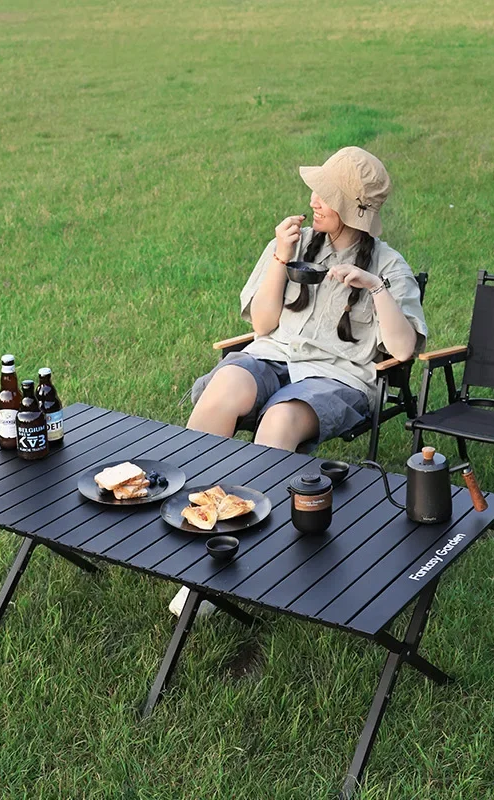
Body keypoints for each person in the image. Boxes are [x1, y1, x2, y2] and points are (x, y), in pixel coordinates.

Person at [169, 146, 428, 617]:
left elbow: (405, 348)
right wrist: (280, 257)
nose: (312, 200)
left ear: (349, 208)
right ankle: (195, 525)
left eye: (324, 194)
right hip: (274, 355)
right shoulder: (295, 242)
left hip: (335, 376)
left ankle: (239, 559)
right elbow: (263, 325)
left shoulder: (388, 265)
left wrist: (375, 288)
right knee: (221, 390)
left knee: (279, 420)